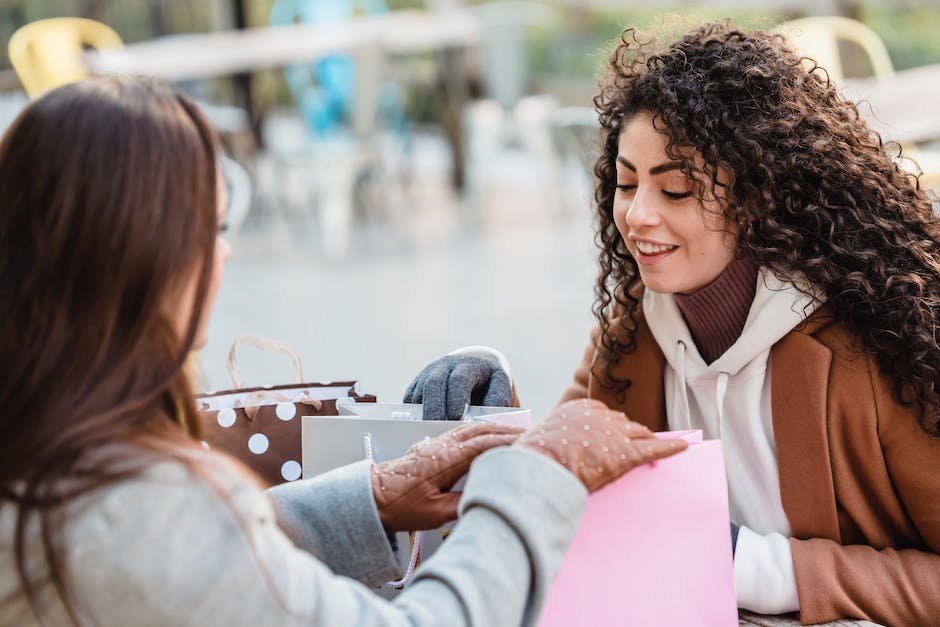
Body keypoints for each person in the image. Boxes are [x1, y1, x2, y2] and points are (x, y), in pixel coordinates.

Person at [0, 76, 686, 627]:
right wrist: (542, 472)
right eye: (209, 227)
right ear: (139, 259)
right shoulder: (128, 508)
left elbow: (212, 571)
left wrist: (374, 496)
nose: (226, 251)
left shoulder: (46, 455)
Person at [405, 21, 940, 626]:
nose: (636, 216)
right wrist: (489, 400)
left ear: (760, 195)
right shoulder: (639, 323)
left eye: (677, 190)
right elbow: (567, 470)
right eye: (625, 182)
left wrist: (747, 564)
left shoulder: (886, 336)